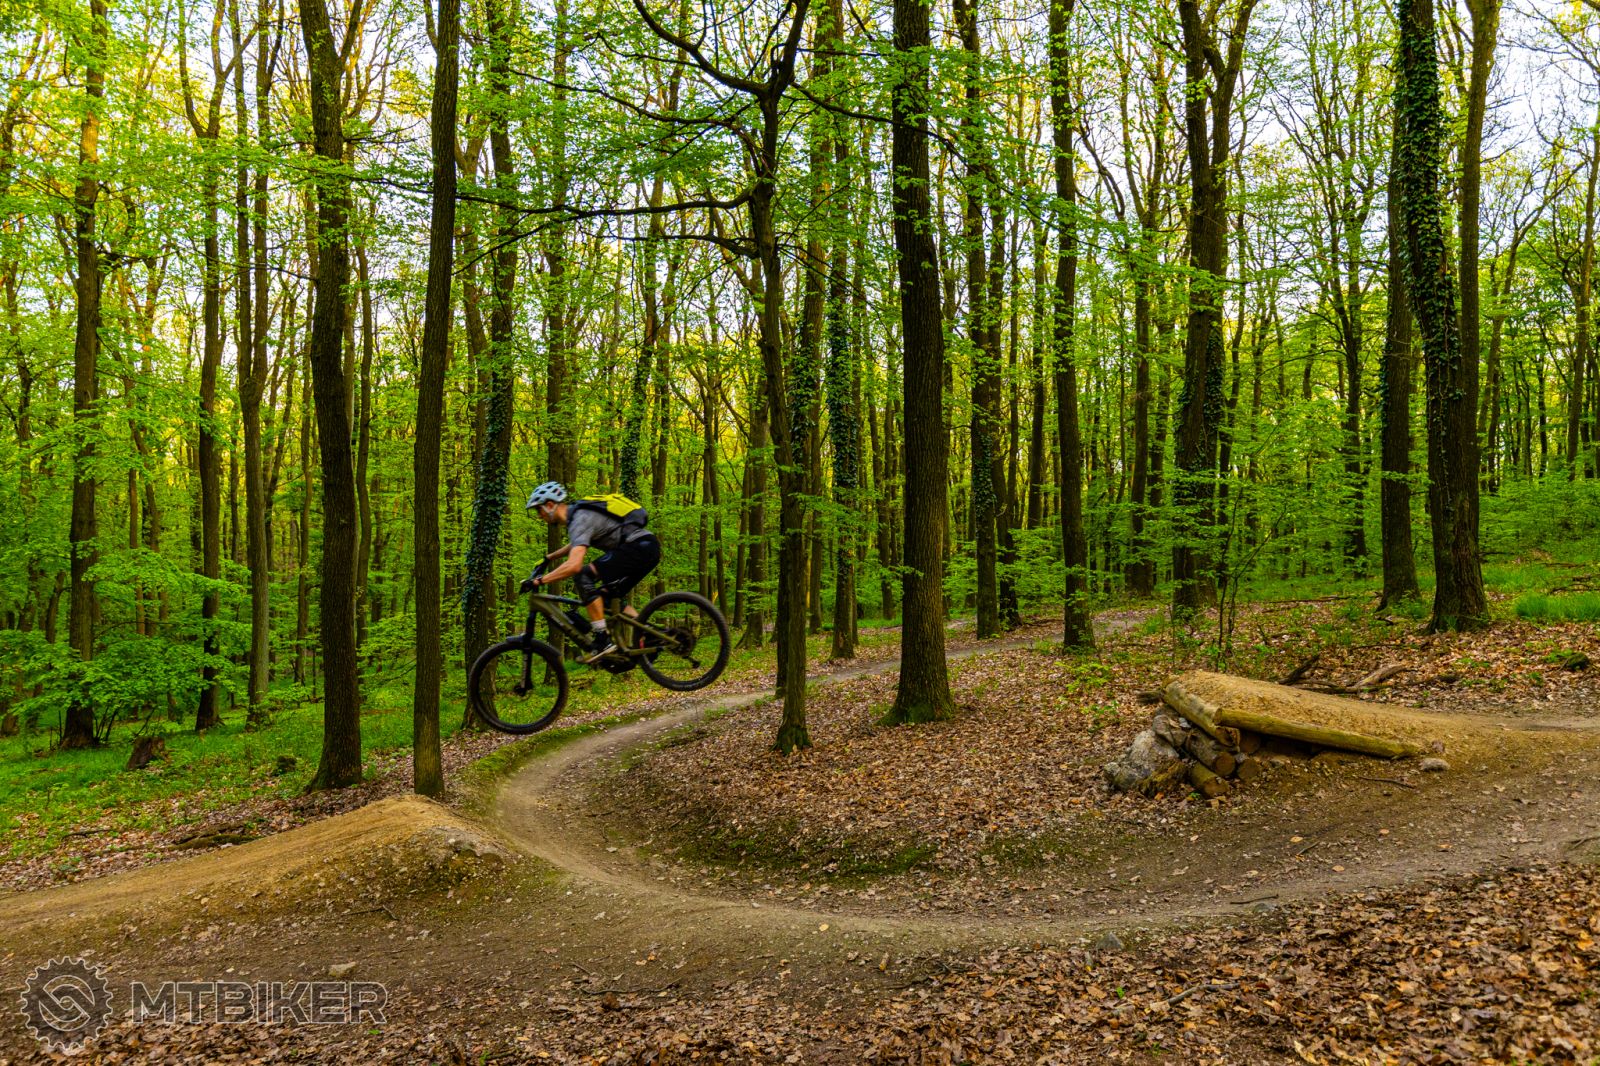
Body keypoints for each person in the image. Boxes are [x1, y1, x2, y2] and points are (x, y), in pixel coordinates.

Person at [523, 481, 661, 662]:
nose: (539, 516)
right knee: (605, 598)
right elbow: (577, 542)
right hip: (646, 548)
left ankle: (603, 640)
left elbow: (574, 565)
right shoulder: (579, 517)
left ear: (550, 505)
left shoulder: (579, 518)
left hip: (638, 548)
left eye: (539, 510)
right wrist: (549, 558)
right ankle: (649, 632)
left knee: (583, 575)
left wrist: (540, 581)